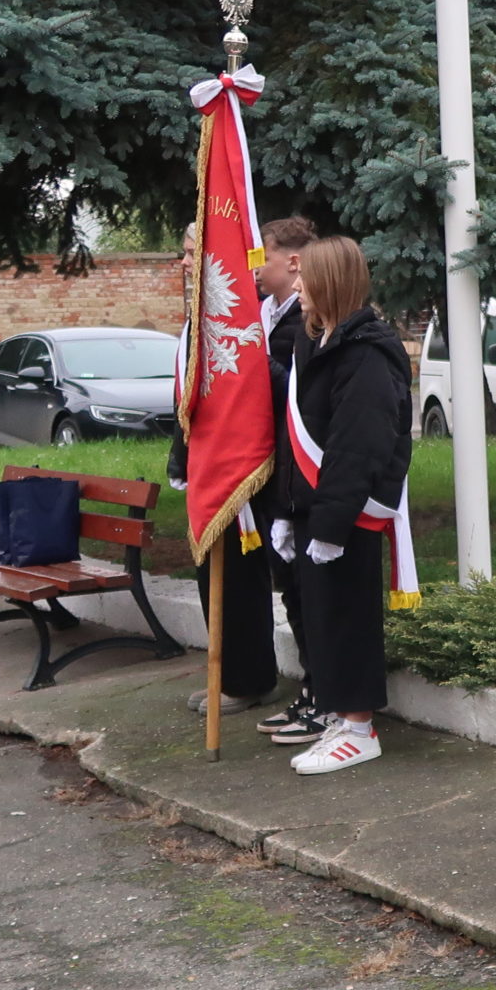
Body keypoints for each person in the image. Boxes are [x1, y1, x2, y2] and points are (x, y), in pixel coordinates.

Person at [271, 236, 413, 775]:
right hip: (316, 507)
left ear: (330, 282)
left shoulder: (366, 352)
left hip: (348, 513)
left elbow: (359, 446)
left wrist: (331, 526)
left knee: (348, 617)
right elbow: (300, 436)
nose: (297, 285)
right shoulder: (318, 342)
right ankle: (340, 717)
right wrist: (287, 510)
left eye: (305, 276)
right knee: (322, 617)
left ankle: (359, 729)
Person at [171, 217, 317, 717]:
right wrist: (182, 457)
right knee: (226, 572)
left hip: (276, 467)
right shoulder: (247, 311)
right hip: (230, 461)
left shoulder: (288, 316)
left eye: (192, 252)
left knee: (290, 585)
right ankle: (238, 674)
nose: (184, 262)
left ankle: (312, 691)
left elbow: (293, 392)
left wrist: (246, 348)